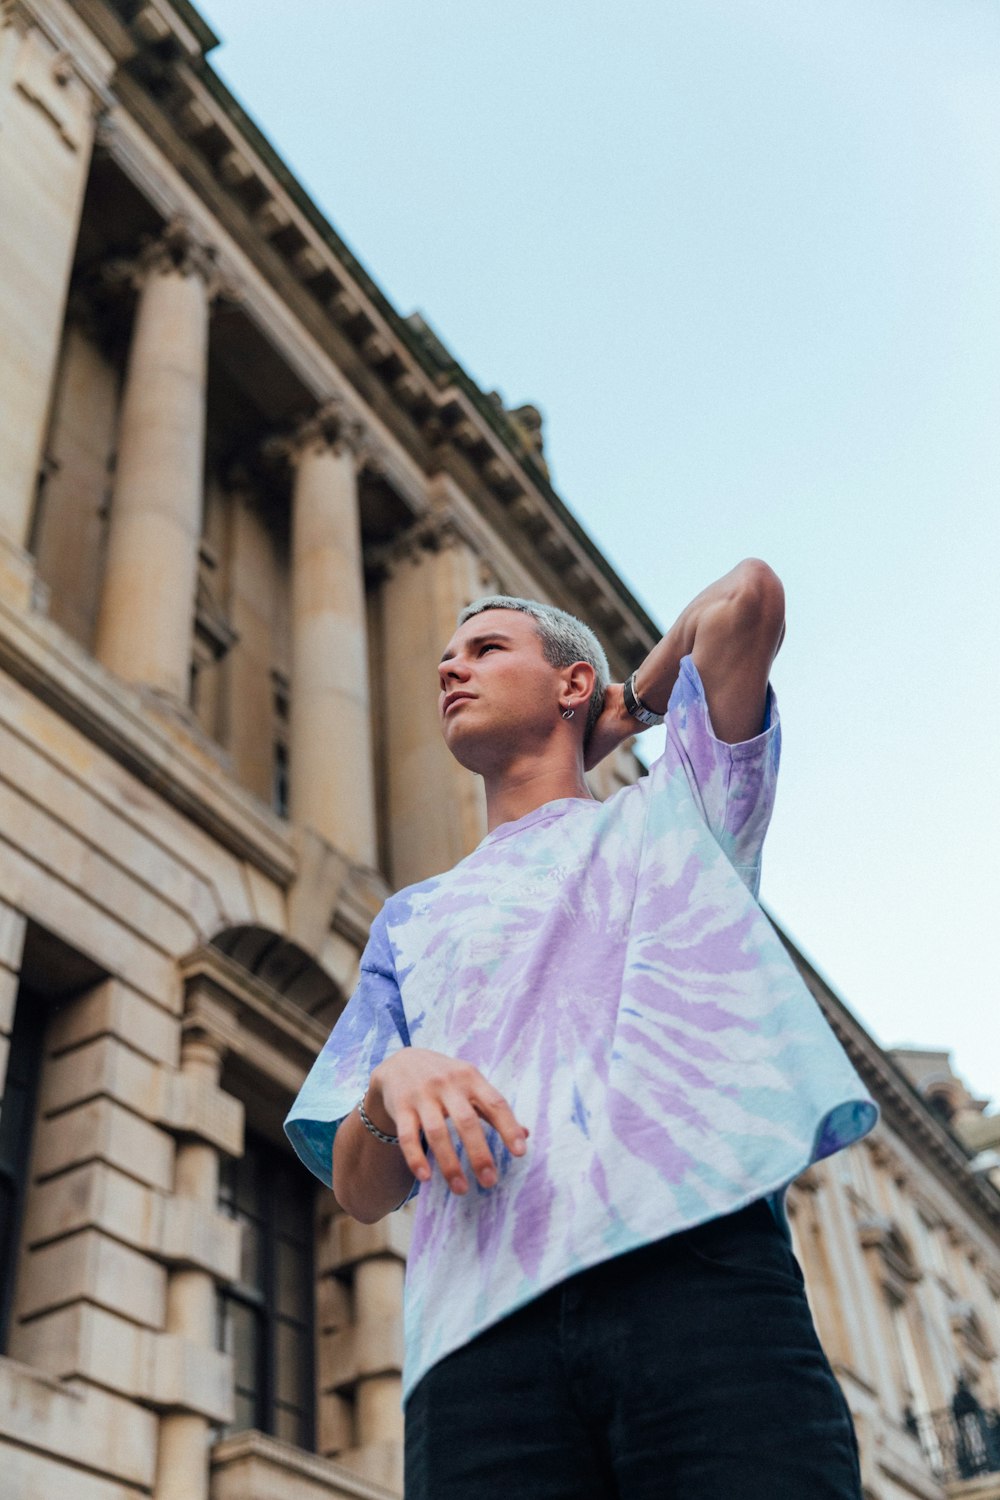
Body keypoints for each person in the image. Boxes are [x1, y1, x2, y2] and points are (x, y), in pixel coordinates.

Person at [286, 558, 879, 1498]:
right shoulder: (410, 917)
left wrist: (626, 707)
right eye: (445, 657)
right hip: (477, 1340)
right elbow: (360, 1190)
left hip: (700, 1284)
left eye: (485, 648)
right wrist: (388, 1084)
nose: (450, 668)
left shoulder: (679, 810)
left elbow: (747, 598)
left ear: (570, 684)